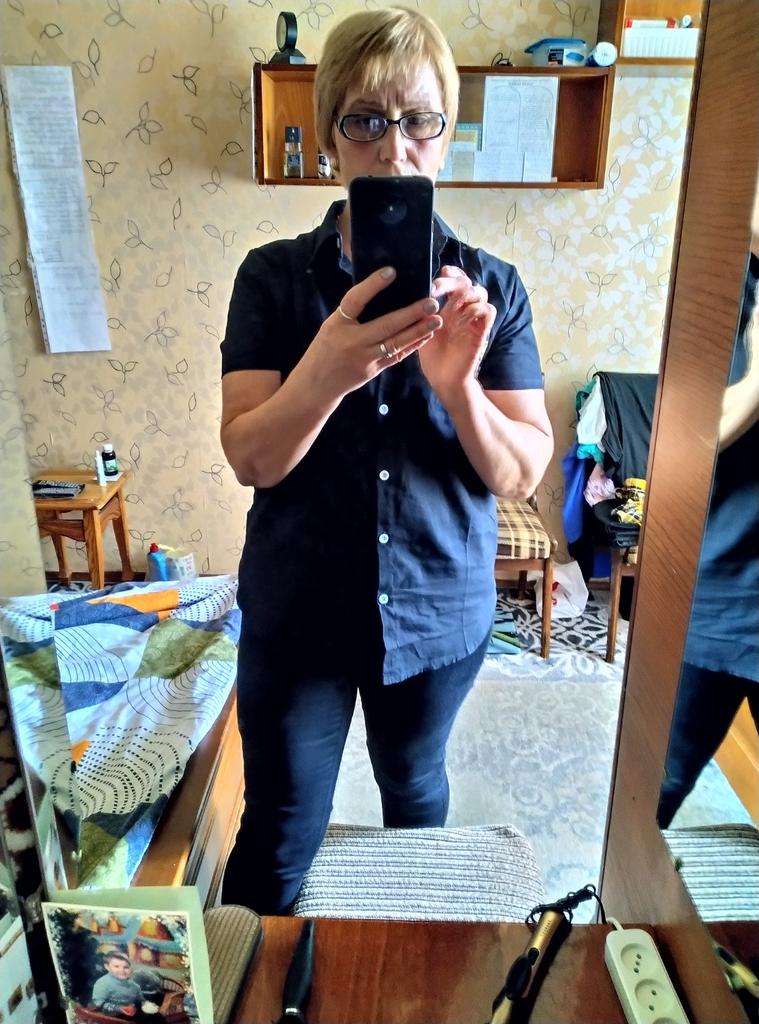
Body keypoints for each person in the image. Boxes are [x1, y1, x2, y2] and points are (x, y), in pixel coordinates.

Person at [219, 7, 553, 914]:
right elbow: (251, 456)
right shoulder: (271, 278)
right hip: (298, 612)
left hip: (439, 613)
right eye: (365, 120)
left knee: (414, 788)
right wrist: (326, 370)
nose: (393, 148)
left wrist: (459, 388)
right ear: (330, 134)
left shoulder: (491, 289)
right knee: (280, 826)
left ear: (446, 134)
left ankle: (416, 946)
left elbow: (518, 473)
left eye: (418, 121)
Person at [657, 201, 759, 828]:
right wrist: (754, 385)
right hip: (715, 592)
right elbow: (676, 447)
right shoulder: (717, 286)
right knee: (659, 782)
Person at [90, 950, 165, 1021]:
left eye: (126, 967)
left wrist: (146, 1005)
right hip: (111, 1017)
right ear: (107, 967)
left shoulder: (134, 986)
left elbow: (140, 1000)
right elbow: (98, 1004)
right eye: (116, 966)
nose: (122, 970)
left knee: (157, 1017)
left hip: (130, 1014)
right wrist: (119, 1009)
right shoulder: (103, 983)